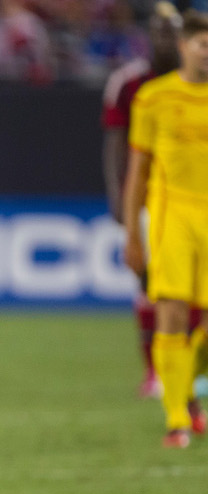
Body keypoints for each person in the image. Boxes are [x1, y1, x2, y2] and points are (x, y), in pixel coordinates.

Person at [123, 8, 208, 449]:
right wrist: (132, 232)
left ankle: (189, 389)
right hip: (172, 213)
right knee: (171, 311)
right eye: (202, 45)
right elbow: (137, 170)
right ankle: (176, 419)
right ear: (184, 47)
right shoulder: (153, 98)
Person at [102, 1, 183, 399]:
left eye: (174, 30)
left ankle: (188, 372)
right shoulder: (132, 84)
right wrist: (121, 202)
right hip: (152, 200)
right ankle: (156, 372)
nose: (167, 38)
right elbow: (116, 147)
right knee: (151, 284)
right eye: (160, 29)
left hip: (194, 201)